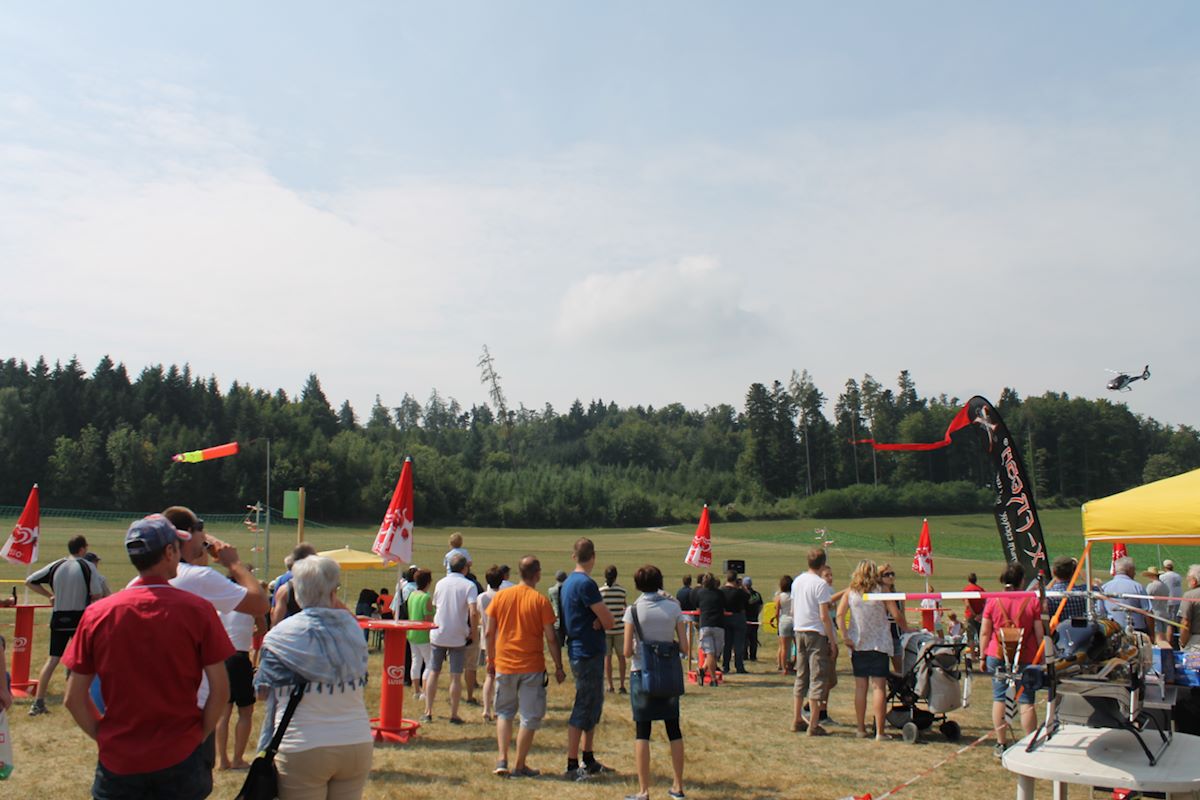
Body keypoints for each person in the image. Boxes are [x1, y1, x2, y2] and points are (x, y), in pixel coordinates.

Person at [62, 514, 234, 800]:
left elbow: (73, 698)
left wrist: (105, 737)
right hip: (181, 757)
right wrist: (198, 736)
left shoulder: (97, 614)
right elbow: (221, 689)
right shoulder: (198, 610)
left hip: (119, 762)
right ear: (169, 552)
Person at [254, 555, 372, 800]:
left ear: (297, 593)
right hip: (356, 739)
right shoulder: (352, 629)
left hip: (303, 743)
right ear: (333, 592)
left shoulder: (280, 635)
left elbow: (262, 692)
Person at [485, 555, 566, 778]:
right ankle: (519, 765)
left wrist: (491, 660)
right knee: (529, 717)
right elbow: (551, 638)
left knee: (504, 712)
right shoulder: (540, 601)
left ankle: (502, 758)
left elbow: (489, 632)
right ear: (537, 575)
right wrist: (558, 666)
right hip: (531, 666)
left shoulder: (501, 597)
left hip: (504, 664)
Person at [622, 565, 687, 800]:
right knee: (673, 729)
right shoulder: (673, 607)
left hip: (642, 673)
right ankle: (678, 786)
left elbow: (627, 651)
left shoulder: (633, 610)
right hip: (667, 674)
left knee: (643, 731)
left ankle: (644, 790)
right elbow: (684, 647)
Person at [25, 535, 105, 716]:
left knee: (53, 659)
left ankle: (38, 702)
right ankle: (82, 699)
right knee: (84, 659)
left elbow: (30, 581)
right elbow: (97, 594)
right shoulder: (88, 566)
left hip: (59, 617)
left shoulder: (56, 565)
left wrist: (50, 595)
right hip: (79, 618)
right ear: (82, 549)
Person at [561, 537, 616, 781]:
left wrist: (597, 621)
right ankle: (572, 764)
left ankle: (589, 757)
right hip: (587, 651)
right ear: (593, 557)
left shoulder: (568, 582)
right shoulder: (586, 583)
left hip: (580, 647)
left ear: (574, 556)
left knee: (593, 703)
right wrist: (599, 622)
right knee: (584, 704)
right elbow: (609, 620)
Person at [980, 562, 1045, 758]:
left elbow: (985, 631)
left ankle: (1001, 742)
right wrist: (1041, 656)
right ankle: (1030, 742)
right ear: (1022, 580)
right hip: (1025, 654)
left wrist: (982, 655)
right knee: (1026, 700)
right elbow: (1039, 632)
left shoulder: (993, 600)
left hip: (998, 652)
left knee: (999, 697)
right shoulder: (1031, 600)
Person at [837, 559, 895, 741]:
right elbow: (895, 613)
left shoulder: (851, 592)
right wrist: (906, 628)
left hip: (858, 644)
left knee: (860, 687)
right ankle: (880, 731)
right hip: (879, 643)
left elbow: (839, 614)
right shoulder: (882, 590)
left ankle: (860, 728)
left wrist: (845, 636)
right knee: (879, 687)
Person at [423, 554, 479, 723]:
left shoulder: (440, 583)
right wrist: (473, 632)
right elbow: (473, 612)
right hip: (458, 635)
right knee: (455, 676)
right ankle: (454, 714)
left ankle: (428, 711)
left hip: (439, 632)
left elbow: (436, 605)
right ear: (465, 568)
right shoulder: (469, 585)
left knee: (434, 672)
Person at [216, 576, 264, 771]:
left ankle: (222, 760)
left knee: (223, 712)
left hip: (221, 658)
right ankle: (237, 758)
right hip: (240, 656)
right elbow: (263, 628)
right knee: (245, 711)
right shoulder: (250, 605)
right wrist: (248, 633)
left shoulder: (218, 605)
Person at [790, 548, 837, 736]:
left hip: (799, 630)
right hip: (815, 633)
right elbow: (824, 616)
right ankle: (814, 723)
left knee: (801, 676)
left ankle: (797, 718)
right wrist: (832, 640)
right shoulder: (820, 584)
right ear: (823, 564)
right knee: (818, 677)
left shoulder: (797, 581)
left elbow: (793, 610)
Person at [477, 565, 504, 722]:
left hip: (486, 641)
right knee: (500, 677)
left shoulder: (482, 597)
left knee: (489, 675)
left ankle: (486, 709)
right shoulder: (504, 596)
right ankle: (498, 709)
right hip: (501, 641)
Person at [271, 543, 319, 624]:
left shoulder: (282, 580)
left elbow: (274, 610)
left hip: (287, 625)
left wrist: (274, 627)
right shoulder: (320, 580)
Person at [1100, 557, 1151, 632]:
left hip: (1113, 629)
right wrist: (1152, 633)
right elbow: (1148, 612)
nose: (1135, 573)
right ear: (1129, 570)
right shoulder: (1138, 587)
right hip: (1136, 630)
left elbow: (1100, 612)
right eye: (1134, 570)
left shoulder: (1104, 587)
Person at [601, 565, 629, 694]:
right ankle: (622, 685)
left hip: (606, 629)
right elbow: (625, 608)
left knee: (607, 658)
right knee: (621, 657)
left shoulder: (600, 592)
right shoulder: (622, 591)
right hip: (619, 629)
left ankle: (610, 685)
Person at [406, 569, 434, 700]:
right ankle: (424, 691)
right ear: (428, 582)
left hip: (412, 632)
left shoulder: (412, 595)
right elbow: (428, 619)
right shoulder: (426, 597)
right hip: (423, 634)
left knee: (416, 661)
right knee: (429, 662)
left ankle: (416, 690)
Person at [695, 574, 725, 687]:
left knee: (712, 654)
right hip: (718, 624)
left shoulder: (699, 593)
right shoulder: (720, 593)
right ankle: (713, 680)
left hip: (706, 624)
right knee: (713, 653)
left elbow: (696, 605)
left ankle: (702, 670)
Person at [880, 565, 909, 672]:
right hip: (882, 636)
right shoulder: (876, 595)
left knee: (901, 669)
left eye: (892, 574)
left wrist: (905, 630)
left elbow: (902, 614)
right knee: (882, 670)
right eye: (887, 575)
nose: (891, 577)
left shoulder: (899, 595)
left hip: (897, 635)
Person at [720, 571, 748, 675]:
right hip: (738, 617)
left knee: (727, 643)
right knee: (738, 644)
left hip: (725, 617)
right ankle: (739, 666)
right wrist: (742, 586)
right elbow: (748, 597)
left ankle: (725, 665)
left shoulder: (721, 591)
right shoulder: (739, 592)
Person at [1045, 556, 1087, 623]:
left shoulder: (1049, 595)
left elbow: (1046, 589)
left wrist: (1056, 576)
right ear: (1074, 573)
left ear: (1054, 572)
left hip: (1058, 629)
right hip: (1079, 628)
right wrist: (1078, 569)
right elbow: (1095, 587)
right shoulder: (1083, 591)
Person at [1144, 567, 1172, 646]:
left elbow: (1146, 598)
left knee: (1158, 636)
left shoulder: (1151, 586)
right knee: (1163, 635)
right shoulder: (1165, 586)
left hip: (1155, 613)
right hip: (1164, 612)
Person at [962, 572, 985, 662]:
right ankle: (981, 654)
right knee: (981, 635)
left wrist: (973, 614)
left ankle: (973, 656)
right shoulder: (980, 589)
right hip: (980, 616)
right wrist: (980, 614)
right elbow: (986, 603)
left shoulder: (966, 590)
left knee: (970, 636)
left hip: (970, 615)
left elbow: (967, 604)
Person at [774, 575, 795, 674]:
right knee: (797, 646)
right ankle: (793, 664)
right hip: (794, 621)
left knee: (784, 647)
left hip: (784, 621)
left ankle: (784, 668)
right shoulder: (794, 596)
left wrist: (777, 623)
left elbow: (777, 612)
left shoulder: (780, 597)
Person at [1178, 565, 1200, 650]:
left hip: (1196, 641)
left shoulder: (1189, 595)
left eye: (1189, 578)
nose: (1187, 579)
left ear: (1194, 580)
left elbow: (1185, 622)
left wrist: (1183, 641)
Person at [1162, 560, 1184, 638]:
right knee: (1178, 621)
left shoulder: (1163, 577)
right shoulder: (1178, 576)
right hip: (1178, 601)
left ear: (1164, 567)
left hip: (1169, 602)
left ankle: (1169, 640)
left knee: (1169, 623)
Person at [744, 576, 764, 663]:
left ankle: (744, 655)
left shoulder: (743, 595)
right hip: (754, 619)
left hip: (745, 619)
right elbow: (761, 606)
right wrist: (757, 613)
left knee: (744, 638)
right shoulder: (757, 594)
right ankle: (753, 656)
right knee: (753, 639)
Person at [549, 569, 568, 646]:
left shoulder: (551, 590)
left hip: (556, 618)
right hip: (567, 618)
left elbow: (551, 601)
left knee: (557, 644)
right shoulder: (568, 589)